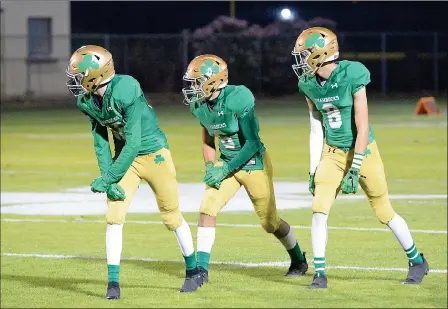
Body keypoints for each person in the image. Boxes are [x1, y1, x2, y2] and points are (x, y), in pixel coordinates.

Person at [291, 27, 429, 289]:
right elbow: (315, 127)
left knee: (383, 210)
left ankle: (417, 260)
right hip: (332, 153)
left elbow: (362, 124)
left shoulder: (351, 73)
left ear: (321, 53)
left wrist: (355, 166)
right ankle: (320, 274)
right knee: (319, 210)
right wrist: (312, 169)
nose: (301, 59)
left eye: (305, 53)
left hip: (363, 150)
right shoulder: (308, 84)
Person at [66, 45, 201, 298]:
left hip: (154, 154)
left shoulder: (126, 88)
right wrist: (109, 178)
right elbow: (101, 141)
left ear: (96, 75)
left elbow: (134, 142)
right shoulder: (86, 100)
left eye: (79, 74)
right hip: (124, 159)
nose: (75, 80)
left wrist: (108, 177)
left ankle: (193, 271)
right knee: (114, 217)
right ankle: (113, 285)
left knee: (171, 217)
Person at [181, 54, 309, 293]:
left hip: (253, 164)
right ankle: (201, 271)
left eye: (197, 82)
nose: (192, 88)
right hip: (226, 163)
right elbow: (208, 139)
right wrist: (211, 167)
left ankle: (299, 258)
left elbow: (251, 143)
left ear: (213, 81)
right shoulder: (200, 105)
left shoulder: (238, 98)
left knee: (270, 223)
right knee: (207, 208)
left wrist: (226, 170)